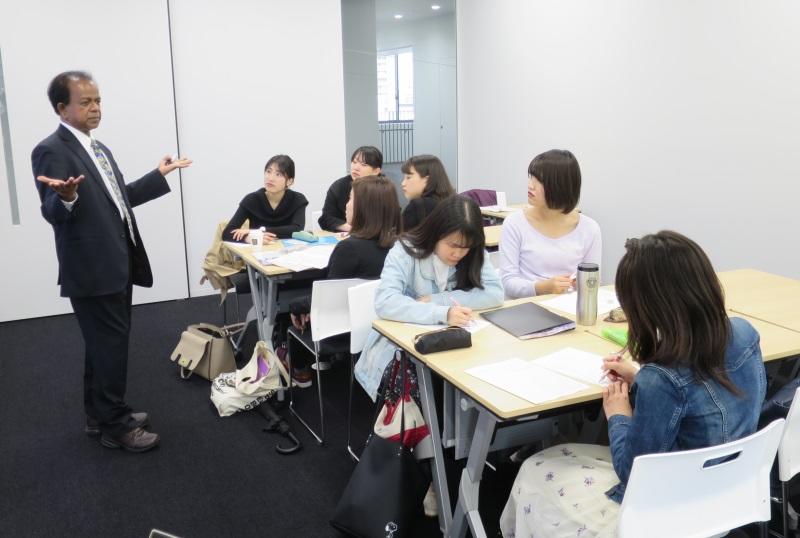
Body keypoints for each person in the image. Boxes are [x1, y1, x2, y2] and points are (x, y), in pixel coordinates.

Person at [500, 231, 767, 538]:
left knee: (537, 468)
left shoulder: (661, 379)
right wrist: (640, 378)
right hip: (729, 497)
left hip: (673, 513)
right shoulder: (744, 332)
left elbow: (631, 472)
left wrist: (618, 414)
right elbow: (698, 396)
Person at [32, 71, 192, 453]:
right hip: (92, 269)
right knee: (110, 349)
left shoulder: (98, 148)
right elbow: (51, 210)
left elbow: (120, 198)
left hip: (117, 265)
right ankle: (115, 426)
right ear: (62, 108)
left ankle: (98, 415)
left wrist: (158, 175)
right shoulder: (51, 150)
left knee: (102, 347)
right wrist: (66, 197)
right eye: (85, 102)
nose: (95, 108)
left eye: (98, 100)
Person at [286, 175, 401, 386]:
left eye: (350, 198)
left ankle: (298, 370)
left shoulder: (349, 249)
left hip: (342, 330)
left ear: (364, 207)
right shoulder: (400, 246)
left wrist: (296, 306)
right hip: (383, 328)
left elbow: (328, 299)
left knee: (289, 311)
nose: (346, 205)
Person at [498, 149, 601, 299]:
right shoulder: (514, 223)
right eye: (531, 177)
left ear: (560, 186)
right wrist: (542, 287)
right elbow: (508, 282)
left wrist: (579, 284)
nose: (530, 185)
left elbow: (592, 280)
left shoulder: (590, 228)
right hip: (527, 305)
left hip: (568, 306)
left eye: (539, 180)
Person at [222, 155, 307, 242]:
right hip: (258, 249)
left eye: (278, 174)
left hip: (288, 249)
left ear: (289, 181)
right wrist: (248, 238)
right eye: (268, 171)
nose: (270, 178)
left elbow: (297, 229)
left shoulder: (298, 199)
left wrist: (258, 231)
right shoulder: (251, 200)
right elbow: (227, 233)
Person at [318, 146, 383, 232]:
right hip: (345, 235)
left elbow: (391, 219)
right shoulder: (339, 186)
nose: (356, 168)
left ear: (376, 171)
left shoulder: (384, 188)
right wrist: (351, 229)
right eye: (354, 162)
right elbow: (326, 218)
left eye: (364, 165)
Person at [399, 154, 454, 231]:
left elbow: (401, 236)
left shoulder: (418, 206)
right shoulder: (453, 204)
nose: (403, 183)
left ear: (427, 180)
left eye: (408, 177)